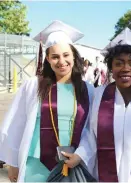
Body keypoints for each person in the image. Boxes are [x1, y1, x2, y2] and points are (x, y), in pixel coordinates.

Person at [0, 20, 94, 182]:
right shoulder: (34, 85)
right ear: (48, 60)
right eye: (55, 57)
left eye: (66, 55)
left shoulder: (88, 90)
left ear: (74, 56)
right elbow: (17, 123)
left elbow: (91, 128)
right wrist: (13, 162)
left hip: (73, 161)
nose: (61, 61)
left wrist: (81, 155)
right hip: (35, 161)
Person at [75, 27, 131, 182]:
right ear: (111, 67)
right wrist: (79, 155)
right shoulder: (98, 96)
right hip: (105, 175)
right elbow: (89, 135)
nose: (125, 68)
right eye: (119, 63)